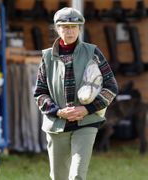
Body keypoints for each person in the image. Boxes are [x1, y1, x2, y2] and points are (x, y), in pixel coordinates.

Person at [33, 7, 118, 180]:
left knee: (77, 175)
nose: (69, 30)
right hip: (57, 124)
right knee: (59, 176)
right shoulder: (47, 57)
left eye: (73, 26)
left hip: (87, 122)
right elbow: (40, 93)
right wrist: (58, 111)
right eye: (64, 26)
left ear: (80, 28)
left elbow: (111, 87)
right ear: (57, 29)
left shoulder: (92, 52)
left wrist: (88, 109)